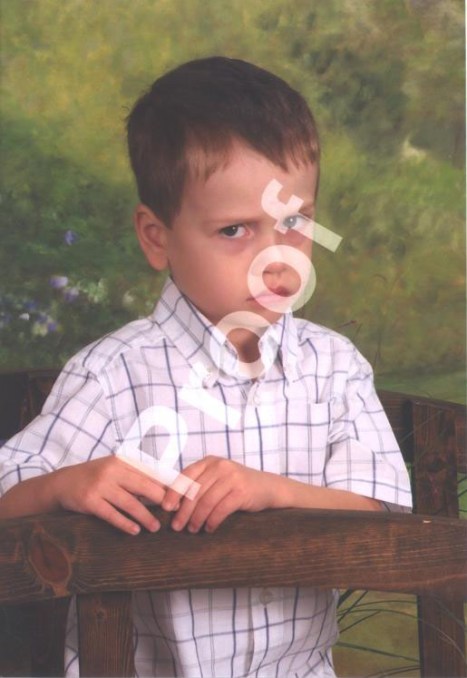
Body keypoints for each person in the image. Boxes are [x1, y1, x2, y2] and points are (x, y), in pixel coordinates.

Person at [0, 57, 412, 677]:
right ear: (157, 236)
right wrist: (64, 487)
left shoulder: (333, 368)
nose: (276, 259)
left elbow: (386, 520)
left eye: (294, 223)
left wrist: (274, 494)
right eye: (235, 230)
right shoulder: (112, 376)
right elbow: (7, 499)